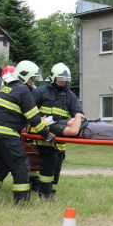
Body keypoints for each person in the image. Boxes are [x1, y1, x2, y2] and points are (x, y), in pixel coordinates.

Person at [0, 60, 55, 204]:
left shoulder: (6, 89)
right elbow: (34, 118)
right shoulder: (23, 91)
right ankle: (22, 202)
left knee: (2, 167)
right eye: (32, 78)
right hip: (6, 135)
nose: (33, 82)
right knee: (21, 166)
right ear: (25, 76)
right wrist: (47, 134)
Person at [32, 62, 84, 198]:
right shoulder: (41, 91)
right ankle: (44, 192)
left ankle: (52, 192)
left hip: (61, 137)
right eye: (60, 79)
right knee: (48, 163)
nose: (62, 82)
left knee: (57, 166)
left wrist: (77, 119)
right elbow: (29, 111)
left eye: (65, 80)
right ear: (53, 78)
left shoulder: (70, 95)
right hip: (44, 135)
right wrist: (39, 119)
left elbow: (78, 113)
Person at [29, 113, 113, 141]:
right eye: (41, 118)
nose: (43, 116)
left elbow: (72, 124)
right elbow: (73, 131)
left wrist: (73, 120)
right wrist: (77, 116)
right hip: (90, 130)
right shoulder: (53, 127)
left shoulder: (56, 123)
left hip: (92, 126)